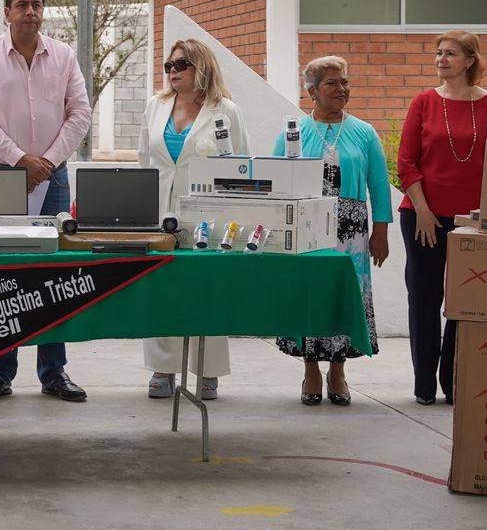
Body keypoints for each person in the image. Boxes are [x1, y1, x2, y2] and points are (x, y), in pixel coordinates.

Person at [0, 0, 93, 403]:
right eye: (22, 5)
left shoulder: (64, 56)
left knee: (53, 275)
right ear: (7, 12)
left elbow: (80, 114)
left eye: (37, 5)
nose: (30, 12)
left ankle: (53, 372)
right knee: (1, 274)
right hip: (0, 175)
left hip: (52, 177)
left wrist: (47, 162)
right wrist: (21, 159)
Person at [398, 30, 487, 406]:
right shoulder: (424, 103)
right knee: (424, 300)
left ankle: (454, 382)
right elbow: (406, 163)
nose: (441, 59)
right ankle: (424, 385)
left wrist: (485, 218)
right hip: (422, 216)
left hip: (474, 221)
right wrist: (425, 212)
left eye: (450, 53)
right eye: (438, 53)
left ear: (470, 60)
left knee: (465, 304)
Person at [274, 56, 392, 407]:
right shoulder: (293, 130)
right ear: (312, 91)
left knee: (346, 295)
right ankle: (311, 369)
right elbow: (276, 180)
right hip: (306, 226)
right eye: (332, 83)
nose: (341, 89)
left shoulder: (364, 132)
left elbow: (379, 185)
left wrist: (381, 232)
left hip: (352, 229)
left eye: (344, 82)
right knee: (310, 294)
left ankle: (338, 371)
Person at [137, 37, 248, 401]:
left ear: (201, 68)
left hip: (207, 216)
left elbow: (241, 167)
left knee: (206, 288)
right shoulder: (156, 106)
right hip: (159, 214)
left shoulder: (225, 111)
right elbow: (144, 160)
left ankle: (208, 369)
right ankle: (162, 367)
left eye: (181, 65)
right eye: (169, 66)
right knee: (162, 288)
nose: (173, 72)